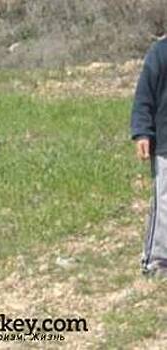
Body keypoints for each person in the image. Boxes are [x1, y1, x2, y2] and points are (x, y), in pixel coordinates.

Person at [131, 37, 167, 278]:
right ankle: (156, 259)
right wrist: (143, 132)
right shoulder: (160, 52)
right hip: (165, 145)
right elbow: (144, 97)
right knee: (165, 203)